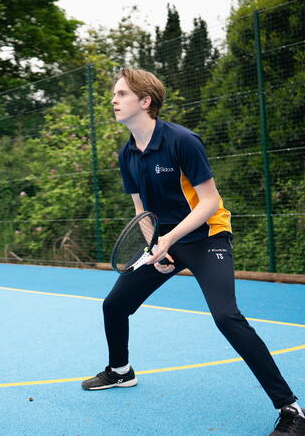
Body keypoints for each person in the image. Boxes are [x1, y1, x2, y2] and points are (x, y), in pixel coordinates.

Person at [81, 67, 305, 436]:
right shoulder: (127, 155)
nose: (113, 100)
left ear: (145, 101)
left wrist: (171, 239)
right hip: (166, 242)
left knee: (226, 316)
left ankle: (291, 409)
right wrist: (158, 244)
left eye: (121, 94)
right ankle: (120, 371)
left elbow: (209, 201)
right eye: (114, 94)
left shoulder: (182, 141)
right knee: (114, 305)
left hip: (207, 237)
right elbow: (143, 212)